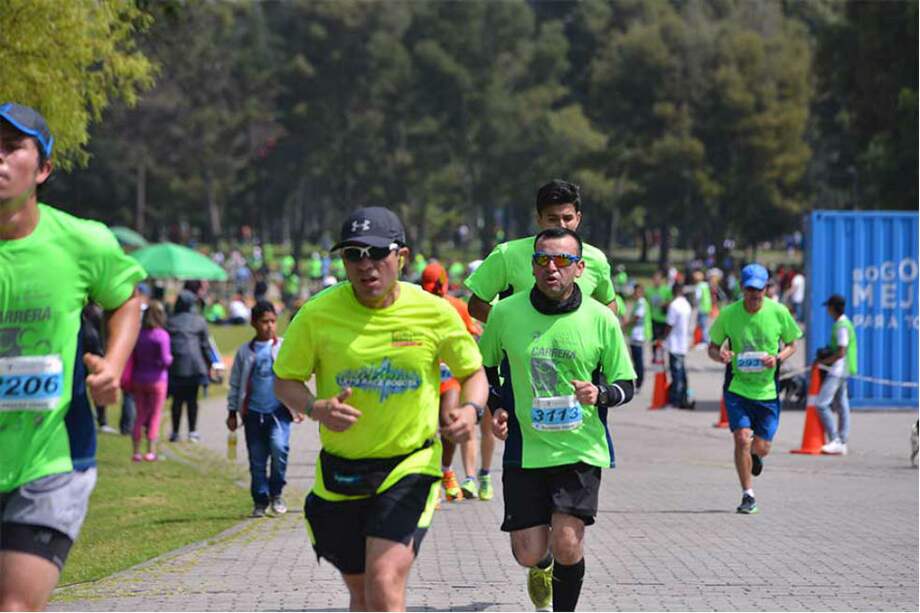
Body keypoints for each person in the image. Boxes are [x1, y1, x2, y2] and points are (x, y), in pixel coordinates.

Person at [272, 207, 488, 611]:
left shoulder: (433, 311)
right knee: (363, 596)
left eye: (377, 253)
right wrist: (316, 408)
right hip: (341, 472)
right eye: (353, 255)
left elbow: (474, 372)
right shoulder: (318, 314)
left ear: (401, 256)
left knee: (384, 583)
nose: (365, 265)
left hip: (410, 465)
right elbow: (285, 381)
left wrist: (472, 411)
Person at [0, 102, 145, 610]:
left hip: (53, 458)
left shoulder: (81, 241)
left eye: (11, 147)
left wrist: (114, 364)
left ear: (42, 169)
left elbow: (126, 299)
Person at [480, 227, 636, 612]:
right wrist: (496, 408)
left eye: (562, 260)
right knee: (527, 552)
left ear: (580, 268)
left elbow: (626, 383)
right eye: (542, 260)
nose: (552, 268)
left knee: (568, 543)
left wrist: (600, 394)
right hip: (524, 449)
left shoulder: (601, 319)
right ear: (532, 267)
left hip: (579, 447)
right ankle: (541, 566)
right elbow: (485, 370)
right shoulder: (505, 312)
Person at [707, 263, 802, 514]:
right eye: (750, 289)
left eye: (759, 289)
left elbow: (793, 343)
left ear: (767, 289)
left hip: (768, 392)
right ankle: (747, 494)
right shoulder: (729, 314)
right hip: (738, 388)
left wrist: (779, 357)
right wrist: (721, 355)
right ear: (742, 288)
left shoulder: (778, 312)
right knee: (741, 439)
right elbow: (712, 348)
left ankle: (756, 457)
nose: (755, 294)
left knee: (761, 447)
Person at [464, 180, 618, 324]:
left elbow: (609, 304)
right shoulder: (507, 254)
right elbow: (476, 306)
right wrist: (513, 328)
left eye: (567, 218)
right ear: (539, 219)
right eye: (553, 219)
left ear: (578, 218)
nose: (561, 225)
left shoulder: (596, 258)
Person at [420, 262, 491, 502]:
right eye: (430, 290)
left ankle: (446, 471)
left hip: (449, 375)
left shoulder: (457, 306)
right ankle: (431, 482)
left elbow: (473, 332)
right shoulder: (415, 305)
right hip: (423, 376)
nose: (434, 295)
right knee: (426, 426)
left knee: (449, 420)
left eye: (437, 290)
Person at [226, 301, 292, 517]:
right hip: (253, 414)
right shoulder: (245, 351)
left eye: (273, 321)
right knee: (257, 460)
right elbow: (235, 383)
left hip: (279, 412)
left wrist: (298, 405)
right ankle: (260, 500)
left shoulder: (283, 347)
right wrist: (232, 412)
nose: (269, 326)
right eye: (265, 322)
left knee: (279, 449)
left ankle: (277, 493)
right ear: (254, 323)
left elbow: (295, 378)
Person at [128, 300, 173, 462]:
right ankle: (150, 451)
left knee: (140, 415)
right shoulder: (162, 335)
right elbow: (165, 360)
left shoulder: (138, 334)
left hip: (139, 378)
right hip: (157, 379)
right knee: (155, 415)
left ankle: (136, 451)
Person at [166, 290, 212, 443]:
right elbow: (205, 346)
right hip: (194, 367)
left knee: (177, 401)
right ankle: (192, 431)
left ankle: (175, 432)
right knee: (192, 400)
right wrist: (211, 364)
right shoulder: (199, 321)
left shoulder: (170, 321)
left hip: (176, 366)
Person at [815, 294, 858, 455]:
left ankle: (836, 439)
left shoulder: (841, 326)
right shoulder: (845, 323)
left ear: (833, 308)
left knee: (821, 404)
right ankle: (842, 439)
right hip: (844, 369)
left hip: (837, 369)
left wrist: (823, 362)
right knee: (842, 404)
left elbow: (841, 351)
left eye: (828, 307)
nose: (827, 310)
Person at [664, 280, 693, 409]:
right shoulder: (687, 305)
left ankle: (675, 401)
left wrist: (662, 337)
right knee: (682, 373)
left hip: (674, 343)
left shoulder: (674, 305)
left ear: (673, 291)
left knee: (676, 373)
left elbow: (670, 324)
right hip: (683, 343)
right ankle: (684, 398)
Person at [626, 283, 652, 392]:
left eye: (637, 292)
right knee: (635, 360)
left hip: (639, 335)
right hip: (635, 335)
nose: (635, 294)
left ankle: (639, 383)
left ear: (641, 292)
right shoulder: (638, 302)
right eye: (634, 291)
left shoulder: (641, 303)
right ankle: (637, 382)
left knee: (638, 361)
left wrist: (625, 324)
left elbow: (637, 317)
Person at [647, 270, 672, 341]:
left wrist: (664, 304)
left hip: (663, 319)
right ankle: (654, 351)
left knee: (662, 340)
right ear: (652, 280)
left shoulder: (666, 290)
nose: (657, 281)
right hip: (653, 318)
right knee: (654, 340)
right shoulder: (648, 291)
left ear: (661, 280)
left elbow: (671, 302)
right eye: (655, 279)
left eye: (658, 279)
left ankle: (661, 351)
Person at [693, 269, 712, 344]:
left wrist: (694, 304)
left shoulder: (699, 286)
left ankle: (705, 340)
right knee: (704, 324)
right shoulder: (705, 285)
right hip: (707, 307)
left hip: (702, 308)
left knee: (702, 325)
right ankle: (704, 339)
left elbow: (698, 297)